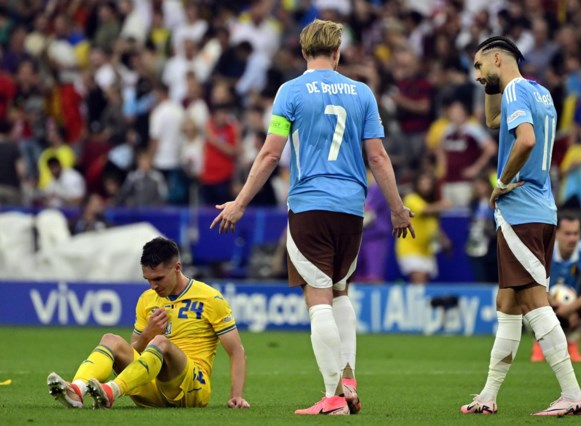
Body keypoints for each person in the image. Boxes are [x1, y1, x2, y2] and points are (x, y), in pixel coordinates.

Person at [210, 19, 414, 415]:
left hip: (310, 204)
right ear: (338, 53)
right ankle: (349, 381)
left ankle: (333, 397)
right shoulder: (362, 93)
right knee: (340, 291)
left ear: (304, 53)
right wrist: (396, 207)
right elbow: (378, 157)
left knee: (317, 297)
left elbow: (271, 154)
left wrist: (239, 202)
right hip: (352, 208)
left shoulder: (290, 91)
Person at [461, 36, 581, 416]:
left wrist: (500, 182)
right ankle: (488, 396)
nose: (476, 74)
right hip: (541, 210)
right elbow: (494, 121)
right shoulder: (540, 92)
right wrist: (489, 86)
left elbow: (526, 140)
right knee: (508, 302)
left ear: (497, 58)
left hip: (521, 210)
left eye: (480, 66)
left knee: (534, 301)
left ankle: (572, 393)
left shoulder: (516, 89)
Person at [47, 237, 249, 410]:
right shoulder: (147, 299)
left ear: (177, 268)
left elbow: (236, 351)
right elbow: (133, 350)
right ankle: (77, 390)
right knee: (111, 340)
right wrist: (146, 335)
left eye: (159, 278)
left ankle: (111, 391)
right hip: (152, 388)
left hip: (192, 388)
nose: (153, 286)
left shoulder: (210, 298)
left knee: (161, 341)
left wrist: (236, 395)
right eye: (148, 279)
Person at [531, 215, 581, 362]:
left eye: (576, 233)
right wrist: (555, 305)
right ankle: (541, 343)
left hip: (573, 304)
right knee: (524, 303)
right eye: (568, 233)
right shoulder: (544, 249)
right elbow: (533, 284)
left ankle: (572, 341)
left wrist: (571, 308)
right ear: (556, 233)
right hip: (547, 303)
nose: (573, 238)